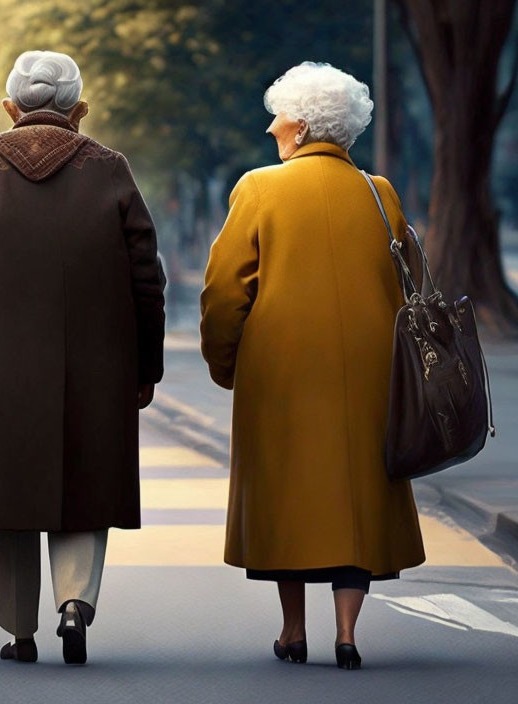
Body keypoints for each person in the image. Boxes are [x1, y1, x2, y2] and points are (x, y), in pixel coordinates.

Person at [0, 50, 165, 665]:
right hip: (98, 368)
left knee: (9, 497)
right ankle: (75, 602)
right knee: (83, 484)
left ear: (11, 109)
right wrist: (146, 366)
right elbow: (146, 278)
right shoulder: (111, 169)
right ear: (78, 111)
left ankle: (20, 631)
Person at [199, 62, 425, 670]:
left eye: (279, 115)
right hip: (373, 371)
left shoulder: (259, 188)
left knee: (288, 495)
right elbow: (414, 286)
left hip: (282, 373)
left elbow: (225, 291)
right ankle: (347, 634)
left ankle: (293, 630)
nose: (272, 125)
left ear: (299, 125)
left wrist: (226, 362)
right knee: (358, 496)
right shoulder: (380, 194)